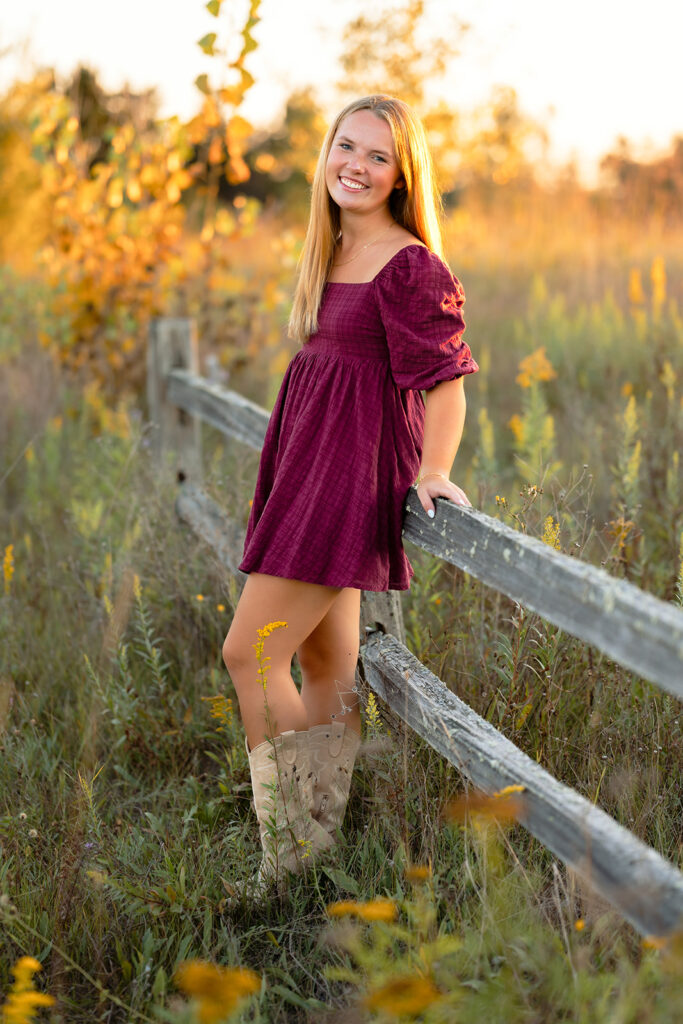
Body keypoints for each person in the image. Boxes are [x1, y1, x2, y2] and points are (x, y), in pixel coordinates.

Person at [222, 94, 478, 892]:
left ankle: (288, 855)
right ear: (324, 155)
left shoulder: (410, 265)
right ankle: (317, 851)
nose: (355, 167)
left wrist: (432, 472)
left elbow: (445, 385)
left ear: (402, 174)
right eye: (345, 147)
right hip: (308, 462)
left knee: (248, 653)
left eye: (376, 156)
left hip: (349, 474)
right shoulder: (330, 250)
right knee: (326, 659)